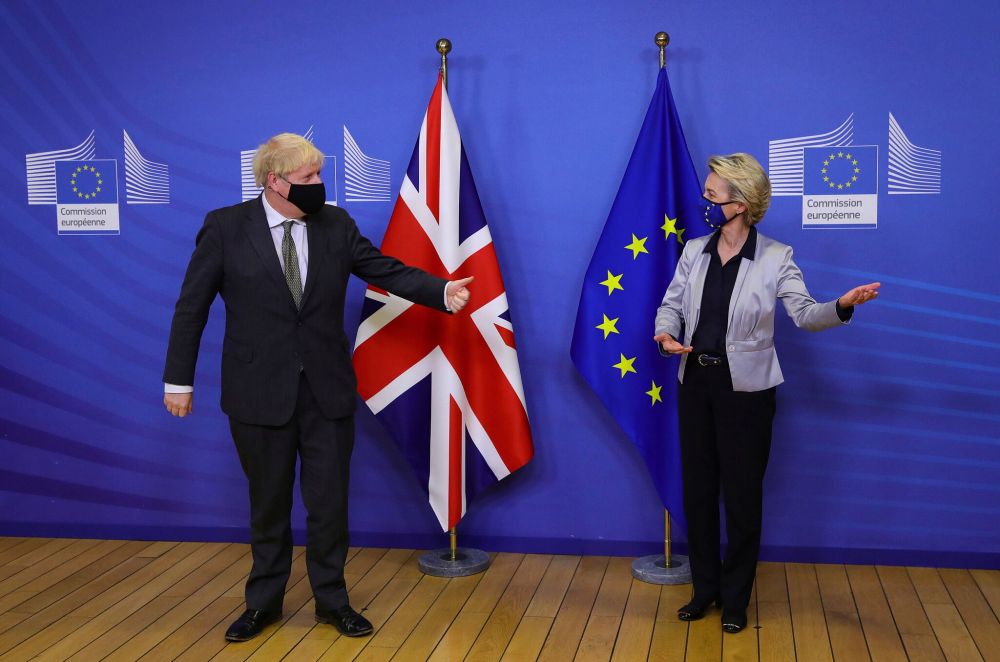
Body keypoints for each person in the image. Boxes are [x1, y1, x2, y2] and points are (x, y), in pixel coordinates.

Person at [162, 133, 473, 642]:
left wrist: (440, 291)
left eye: (319, 174)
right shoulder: (225, 227)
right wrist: (179, 380)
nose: (319, 184)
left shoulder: (335, 224)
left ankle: (333, 602)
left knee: (329, 507)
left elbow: (383, 270)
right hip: (257, 393)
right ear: (275, 181)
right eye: (308, 177)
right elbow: (191, 308)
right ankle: (263, 604)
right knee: (268, 506)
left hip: (326, 392)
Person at [653, 153, 879, 633]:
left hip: (747, 395)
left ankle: (736, 600)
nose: (704, 202)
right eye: (706, 193)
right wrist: (665, 333)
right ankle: (705, 591)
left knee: (741, 498)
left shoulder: (777, 256)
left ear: (741, 203)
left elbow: (804, 315)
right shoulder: (694, 250)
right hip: (695, 386)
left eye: (712, 195)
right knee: (698, 494)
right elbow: (671, 305)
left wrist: (841, 306)